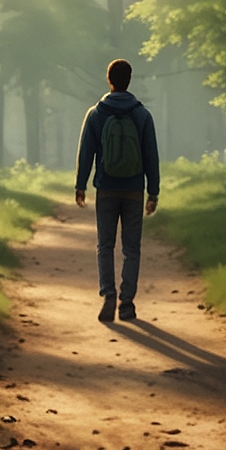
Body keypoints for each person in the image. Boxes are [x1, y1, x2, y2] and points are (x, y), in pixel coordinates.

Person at [74, 58, 159, 323]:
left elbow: (86, 152)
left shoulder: (97, 113)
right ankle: (127, 304)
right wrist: (153, 192)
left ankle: (108, 295)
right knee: (131, 248)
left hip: (107, 189)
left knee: (105, 245)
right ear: (129, 80)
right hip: (134, 190)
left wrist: (80, 185)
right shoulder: (142, 115)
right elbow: (151, 156)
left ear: (109, 80)